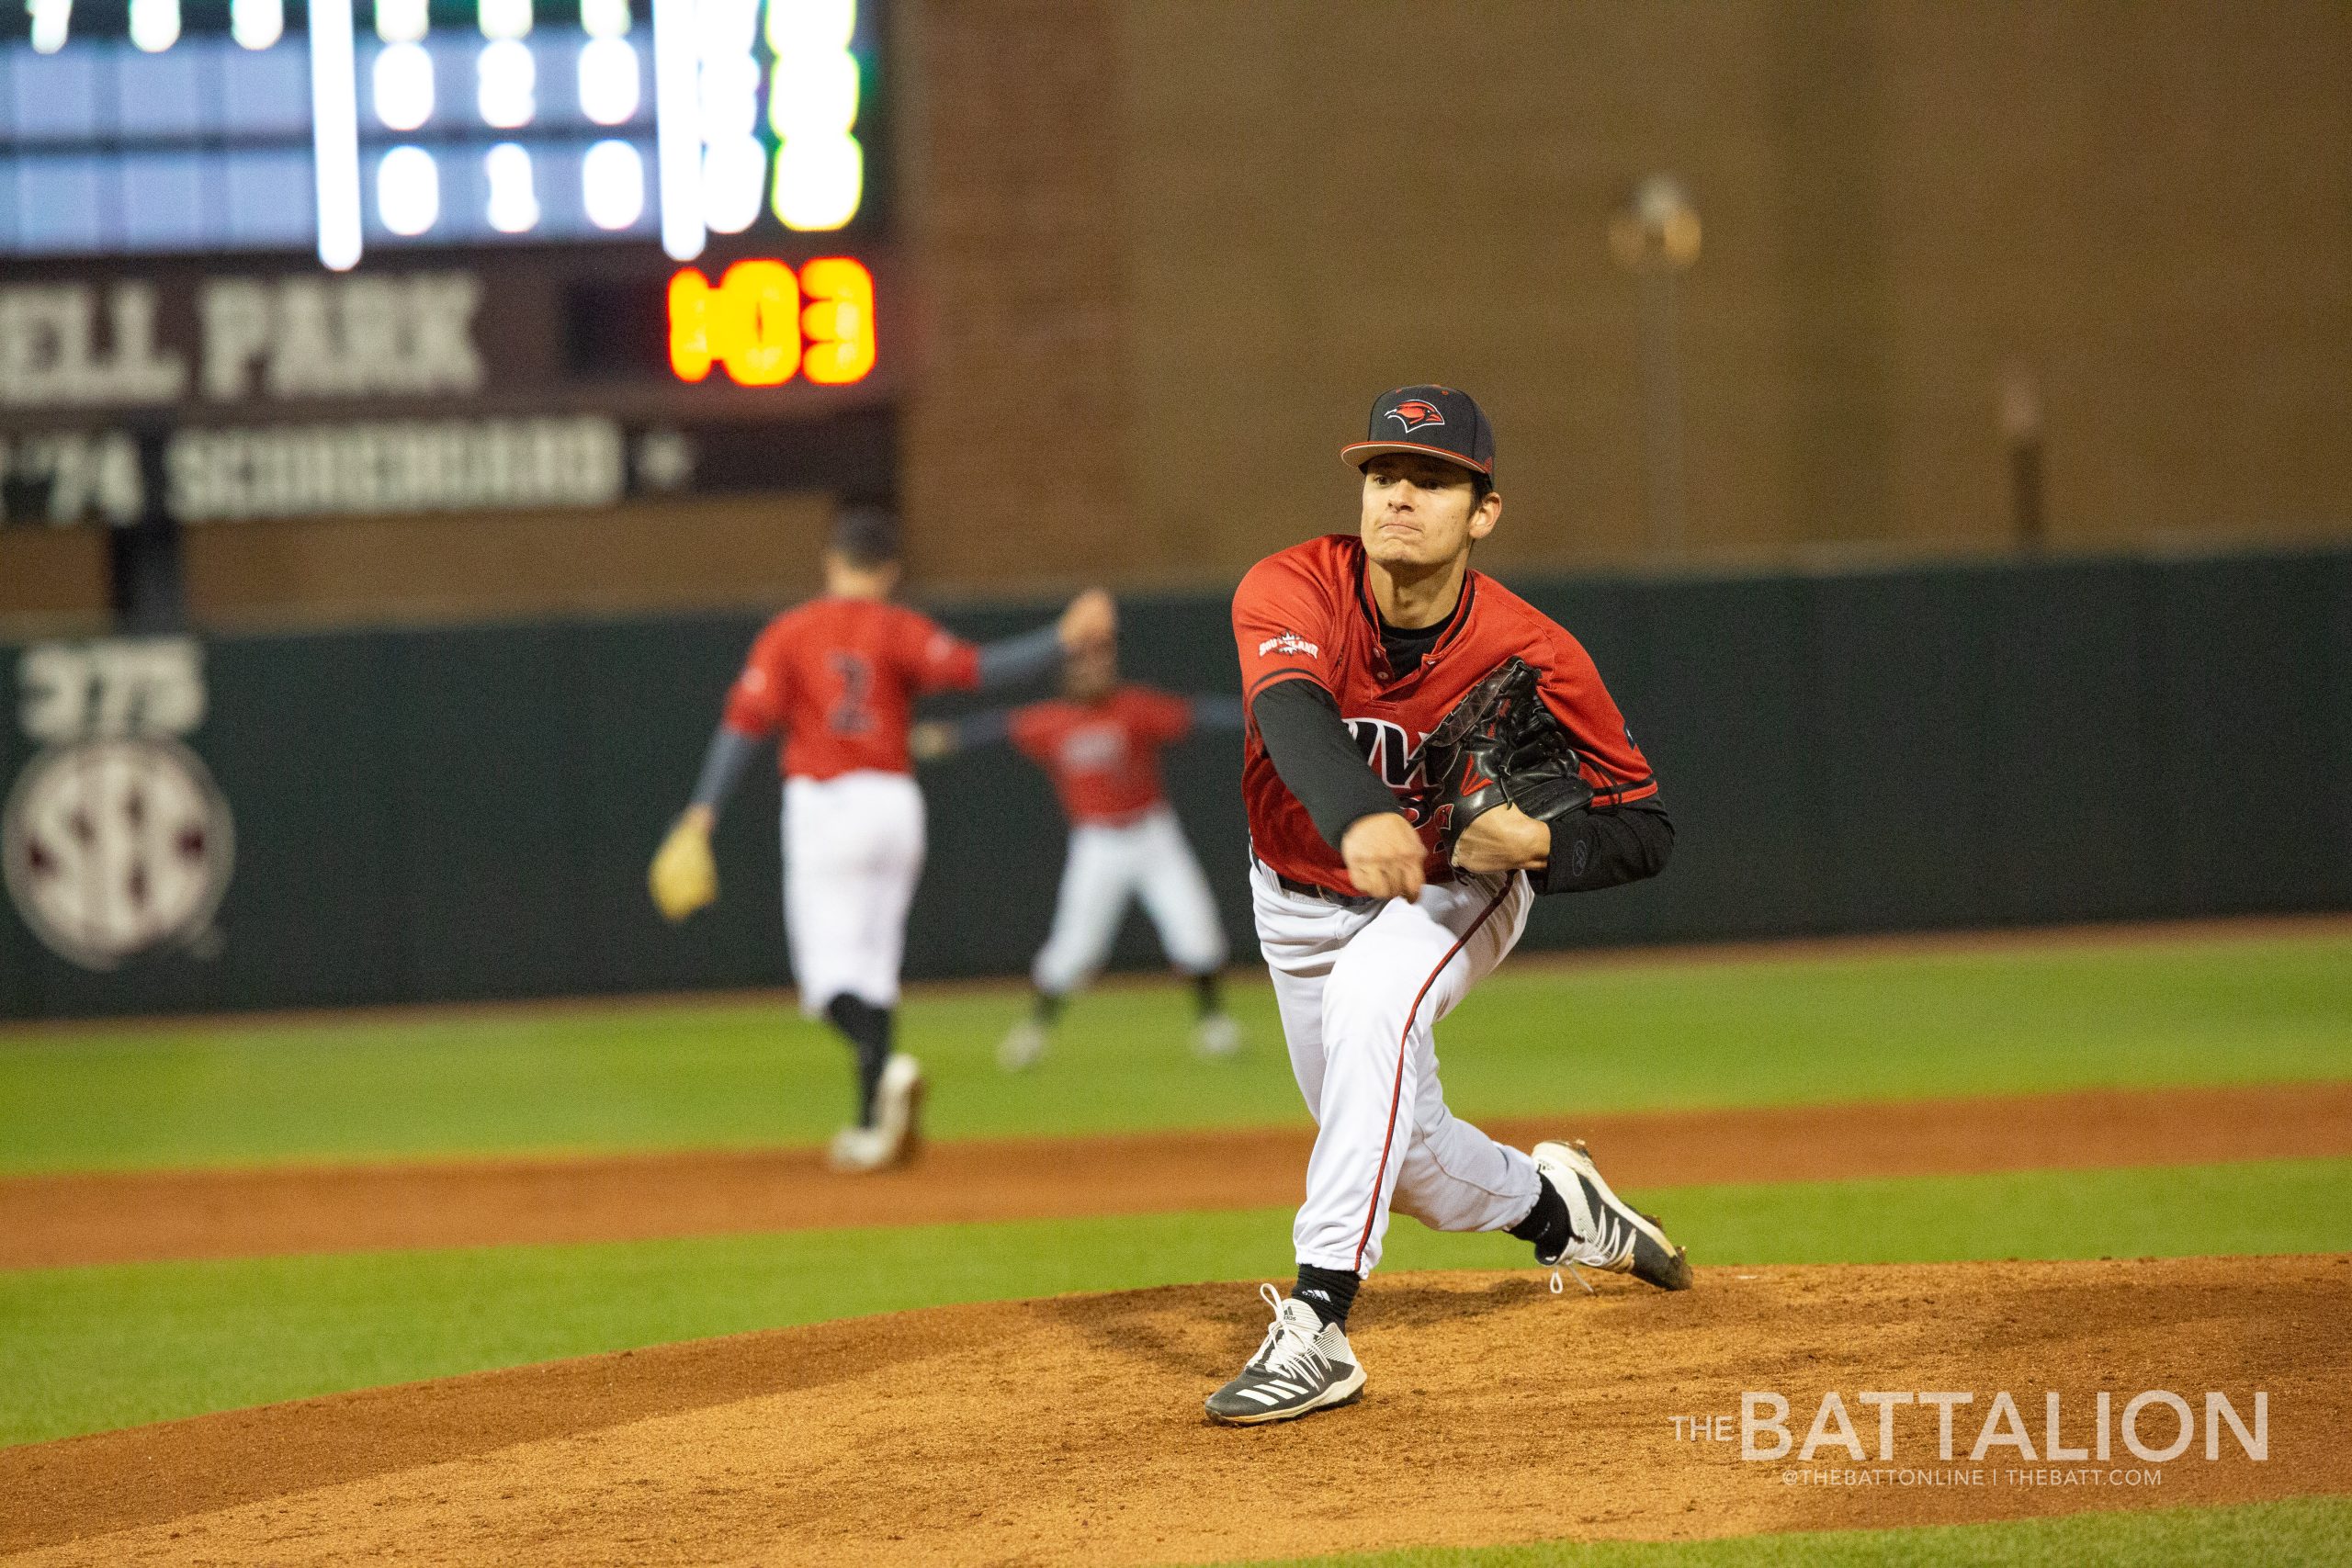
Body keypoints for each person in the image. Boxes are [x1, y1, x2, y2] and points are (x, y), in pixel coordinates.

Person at [1204, 385, 1687, 1426]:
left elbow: (1647, 826)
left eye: (1432, 480)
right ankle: (1560, 1209)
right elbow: (1287, 713)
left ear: (1484, 511)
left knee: (1376, 1001)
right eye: (1383, 475)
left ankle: (1318, 1322)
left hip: (1452, 885)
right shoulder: (1291, 586)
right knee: (1409, 1164)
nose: (1399, 497)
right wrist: (1357, 815)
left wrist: (1542, 844)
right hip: (1294, 893)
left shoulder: (1535, 650)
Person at [650, 505, 1114, 1173]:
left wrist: (702, 812)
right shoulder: (898, 626)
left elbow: (744, 723)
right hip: (896, 806)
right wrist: (1062, 638)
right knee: (874, 969)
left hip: (827, 807)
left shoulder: (792, 631)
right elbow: (979, 669)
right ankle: (873, 1125)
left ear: (831, 561)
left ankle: (890, 1068)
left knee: (829, 981)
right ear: (890, 569)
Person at [910, 638, 1245, 1071]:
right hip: (1098, 843)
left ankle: (1214, 1023)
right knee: (1075, 947)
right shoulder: (1052, 721)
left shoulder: (1133, 707)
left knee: (1195, 930)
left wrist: (1260, 711)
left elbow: (1198, 715)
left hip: (1152, 833)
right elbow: (1001, 726)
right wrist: (952, 736)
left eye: (1101, 664)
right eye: (1085, 666)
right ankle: (1033, 1030)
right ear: (1066, 674)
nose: (1094, 673)